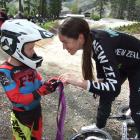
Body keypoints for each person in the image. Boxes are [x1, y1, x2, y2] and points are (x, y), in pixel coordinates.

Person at [58, 17, 140, 138]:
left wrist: (80, 82)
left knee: (136, 105)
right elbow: (101, 62)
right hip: (124, 63)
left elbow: (114, 88)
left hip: (137, 65)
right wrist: (100, 84)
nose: (64, 47)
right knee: (104, 92)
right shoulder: (91, 39)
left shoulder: (100, 43)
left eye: (65, 42)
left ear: (80, 37)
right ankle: (99, 126)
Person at [0, 19, 58, 140]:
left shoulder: (29, 65)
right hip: (21, 115)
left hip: (37, 110)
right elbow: (16, 98)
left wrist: (49, 86)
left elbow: (39, 83)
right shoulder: (5, 72)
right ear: (14, 47)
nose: (33, 52)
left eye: (33, 48)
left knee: (37, 136)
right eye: (30, 48)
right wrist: (40, 92)